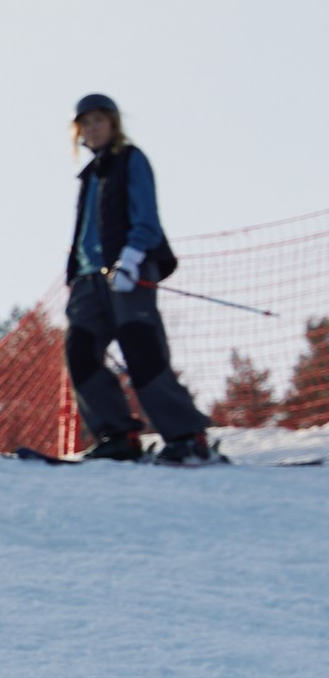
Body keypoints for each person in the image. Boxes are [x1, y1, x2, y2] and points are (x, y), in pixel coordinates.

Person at [64, 93, 219, 465]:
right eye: (85, 123)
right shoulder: (89, 175)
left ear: (114, 124)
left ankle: (186, 435)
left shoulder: (130, 160)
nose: (92, 128)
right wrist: (75, 276)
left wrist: (132, 257)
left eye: (99, 121)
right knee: (80, 351)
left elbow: (146, 213)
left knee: (141, 348)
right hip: (88, 279)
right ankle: (118, 434)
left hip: (127, 269)